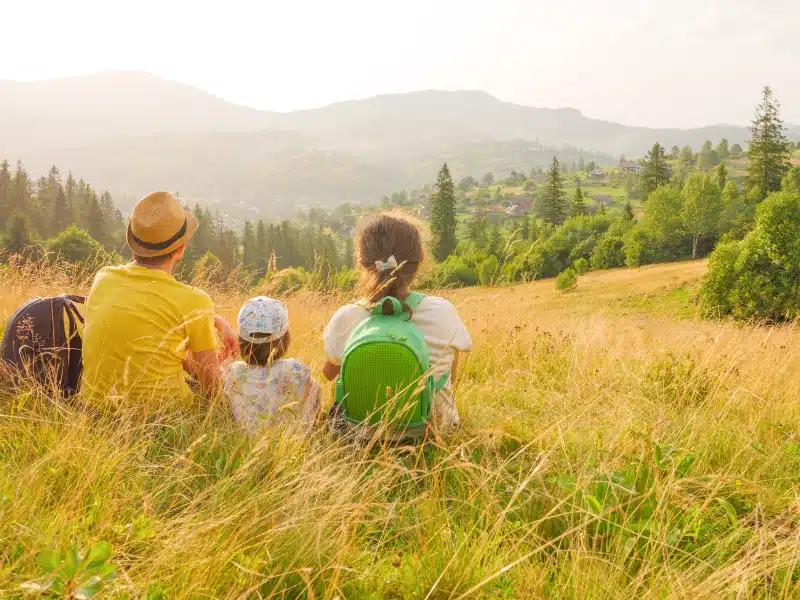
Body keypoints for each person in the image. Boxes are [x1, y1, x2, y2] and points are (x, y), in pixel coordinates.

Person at [82, 191, 237, 407]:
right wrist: (229, 369)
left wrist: (216, 320)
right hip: (166, 423)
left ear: (133, 242)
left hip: (96, 414)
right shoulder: (194, 301)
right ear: (181, 249)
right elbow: (212, 389)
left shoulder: (104, 279)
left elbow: (149, 325)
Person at [322, 214, 472, 433]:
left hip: (362, 432)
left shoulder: (347, 316)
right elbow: (452, 374)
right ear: (419, 261)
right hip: (435, 430)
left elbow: (329, 374)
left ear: (363, 263)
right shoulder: (442, 311)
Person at [223, 296, 321, 433]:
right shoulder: (295, 369)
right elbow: (312, 398)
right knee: (313, 385)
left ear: (241, 340)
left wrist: (228, 360)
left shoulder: (233, 372)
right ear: (284, 338)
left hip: (245, 446)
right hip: (292, 446)